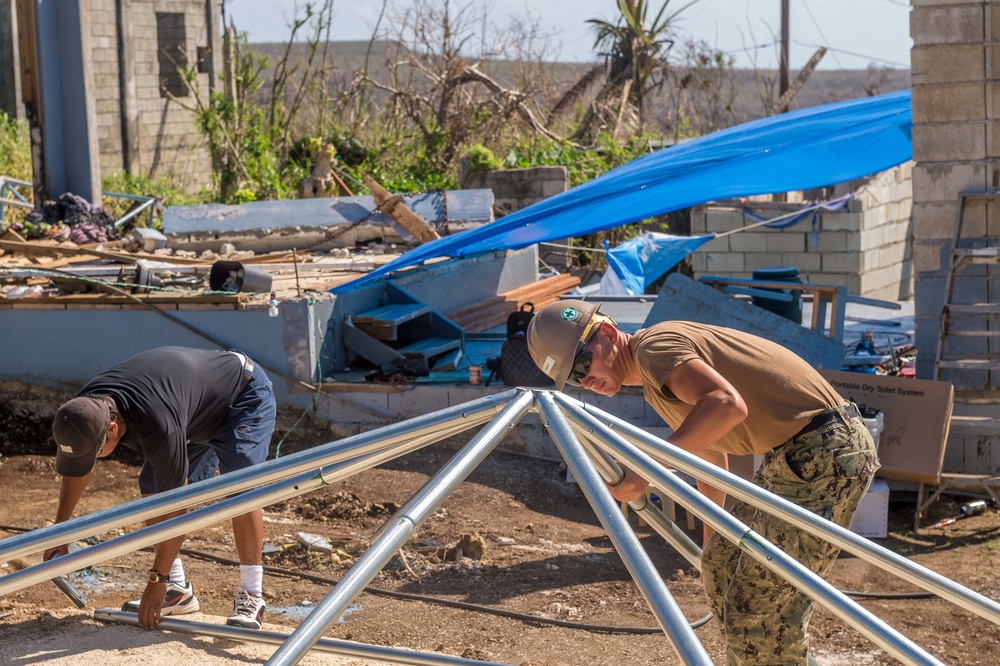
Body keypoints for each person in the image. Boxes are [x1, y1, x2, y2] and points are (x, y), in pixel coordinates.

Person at [527, 300, 878, 665]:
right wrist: (714, 531)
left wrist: (644, 469)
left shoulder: (654, 347)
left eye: (583, 362)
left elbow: (727, 404)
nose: (584, 379)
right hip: (794, 456)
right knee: (721, 567)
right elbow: (708, 452)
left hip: (825, 450)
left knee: (759, 608)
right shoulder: (654, 381)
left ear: (610, 333)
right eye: (572, 377)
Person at [44, 346, 276, 631]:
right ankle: (177, 590)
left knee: (241, 486)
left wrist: (156, 579)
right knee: (152, 485)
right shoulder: (84, 412)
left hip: (242, 395)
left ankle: (252, 595)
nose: (91, 459)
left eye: (94, 452)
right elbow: (80, 466)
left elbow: (178, 504)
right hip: (193, 409)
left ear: (113, 429)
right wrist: (60, 530)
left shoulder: (156, 422)